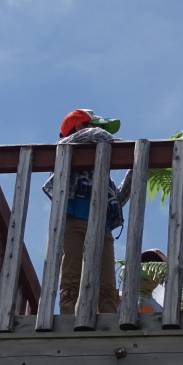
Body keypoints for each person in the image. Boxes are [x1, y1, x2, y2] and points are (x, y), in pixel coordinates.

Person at [42, 109, 132, 314]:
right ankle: (69, 317)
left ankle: (108, 318)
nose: (101, 130)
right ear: (81, 127)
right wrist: (123, 147)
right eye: (97, 124)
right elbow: (97, 136)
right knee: (71, 277)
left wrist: (133, 171)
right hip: (73, 223)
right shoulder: (65, 148)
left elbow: (116, 200)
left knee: (107, 284)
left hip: (103, 226)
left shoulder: (99, 172)